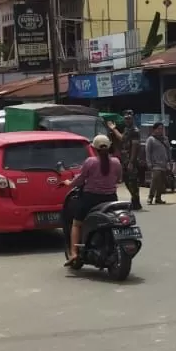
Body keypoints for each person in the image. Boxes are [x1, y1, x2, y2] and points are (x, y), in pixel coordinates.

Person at [66, 134, 122, 267]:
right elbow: (119, 179)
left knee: (76, 224)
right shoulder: (116, 162)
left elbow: (80, 180)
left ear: (94, 148)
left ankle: (74, 253)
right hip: (110, 199)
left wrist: (69, 183)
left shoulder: (90, 162)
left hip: (90, 198)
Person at [110, 111, 143, 211]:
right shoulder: (127, 129)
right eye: (126, 118)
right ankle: (134, 200)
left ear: (133, 119)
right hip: (125, 159)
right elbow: (122, 139)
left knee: (132, 181)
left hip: (131, 159)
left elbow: (135, 146)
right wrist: (114, 130)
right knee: (127, 181)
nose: (127, 120)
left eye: (129, 118)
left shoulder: (134, 130)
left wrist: (131, 162)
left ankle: (136, 202)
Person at [144, 123, 171, 206]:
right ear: (154, 129)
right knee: (155, 180)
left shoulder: (165, 139)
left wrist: (169, 161)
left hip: (164, 164)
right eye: (159, 129)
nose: (160, 130)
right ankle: (150, 197)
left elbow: (168, 151)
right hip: (155, 164)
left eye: (162, 129)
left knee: (161, 182)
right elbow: (148, 152)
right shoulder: (150, 139)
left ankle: (158, 198)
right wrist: (149, 163)